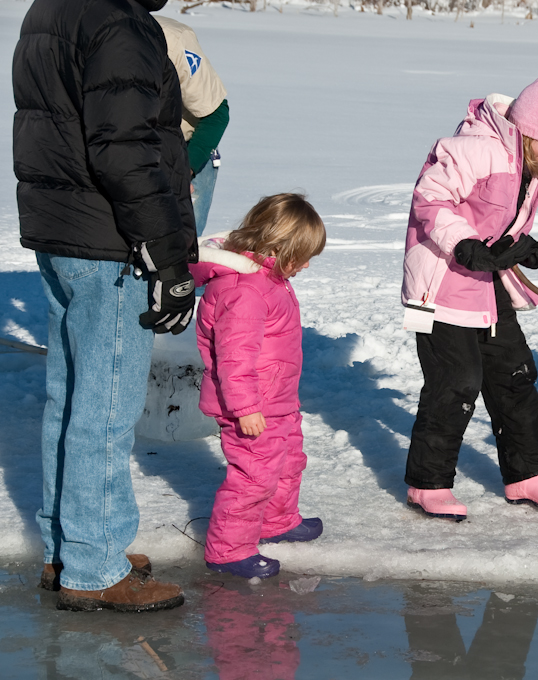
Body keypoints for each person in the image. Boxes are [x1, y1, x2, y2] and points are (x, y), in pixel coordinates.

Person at [13, 0, 196, 612]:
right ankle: (92, 567)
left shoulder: (53, 8)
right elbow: (123, 146)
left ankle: (72, 543)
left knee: (72, 400)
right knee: (105, 407)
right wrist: (167, 256)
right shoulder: (119, 24)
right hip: (108, 239)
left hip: (63, 229)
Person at [401, 65, 538, 521]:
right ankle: (429, 483)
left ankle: (527, 475)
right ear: (523, 129)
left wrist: (520, 249)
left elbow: (498, 222)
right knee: (456, 381)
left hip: (488, 282)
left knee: (515, 374)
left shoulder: (532, 163)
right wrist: (464, 243)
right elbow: (430, 198)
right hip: (443, 280)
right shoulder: (477, 150)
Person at [191, 193, 326, 579]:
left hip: (277, 400)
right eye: (302, 257)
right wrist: (246, 409)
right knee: (253, 477)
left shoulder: (268, 279)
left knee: (288, 464)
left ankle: (277, 521)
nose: (304, 266)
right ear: (278, 249)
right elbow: (234, 358)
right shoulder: (244, 290)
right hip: (251, 407)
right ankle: (228, 550)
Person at [155, 15, 230, 236]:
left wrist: (184, 170)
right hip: (130, 158)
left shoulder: (174, 39)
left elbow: (216, 115)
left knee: (183, 247)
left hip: (187, 152)